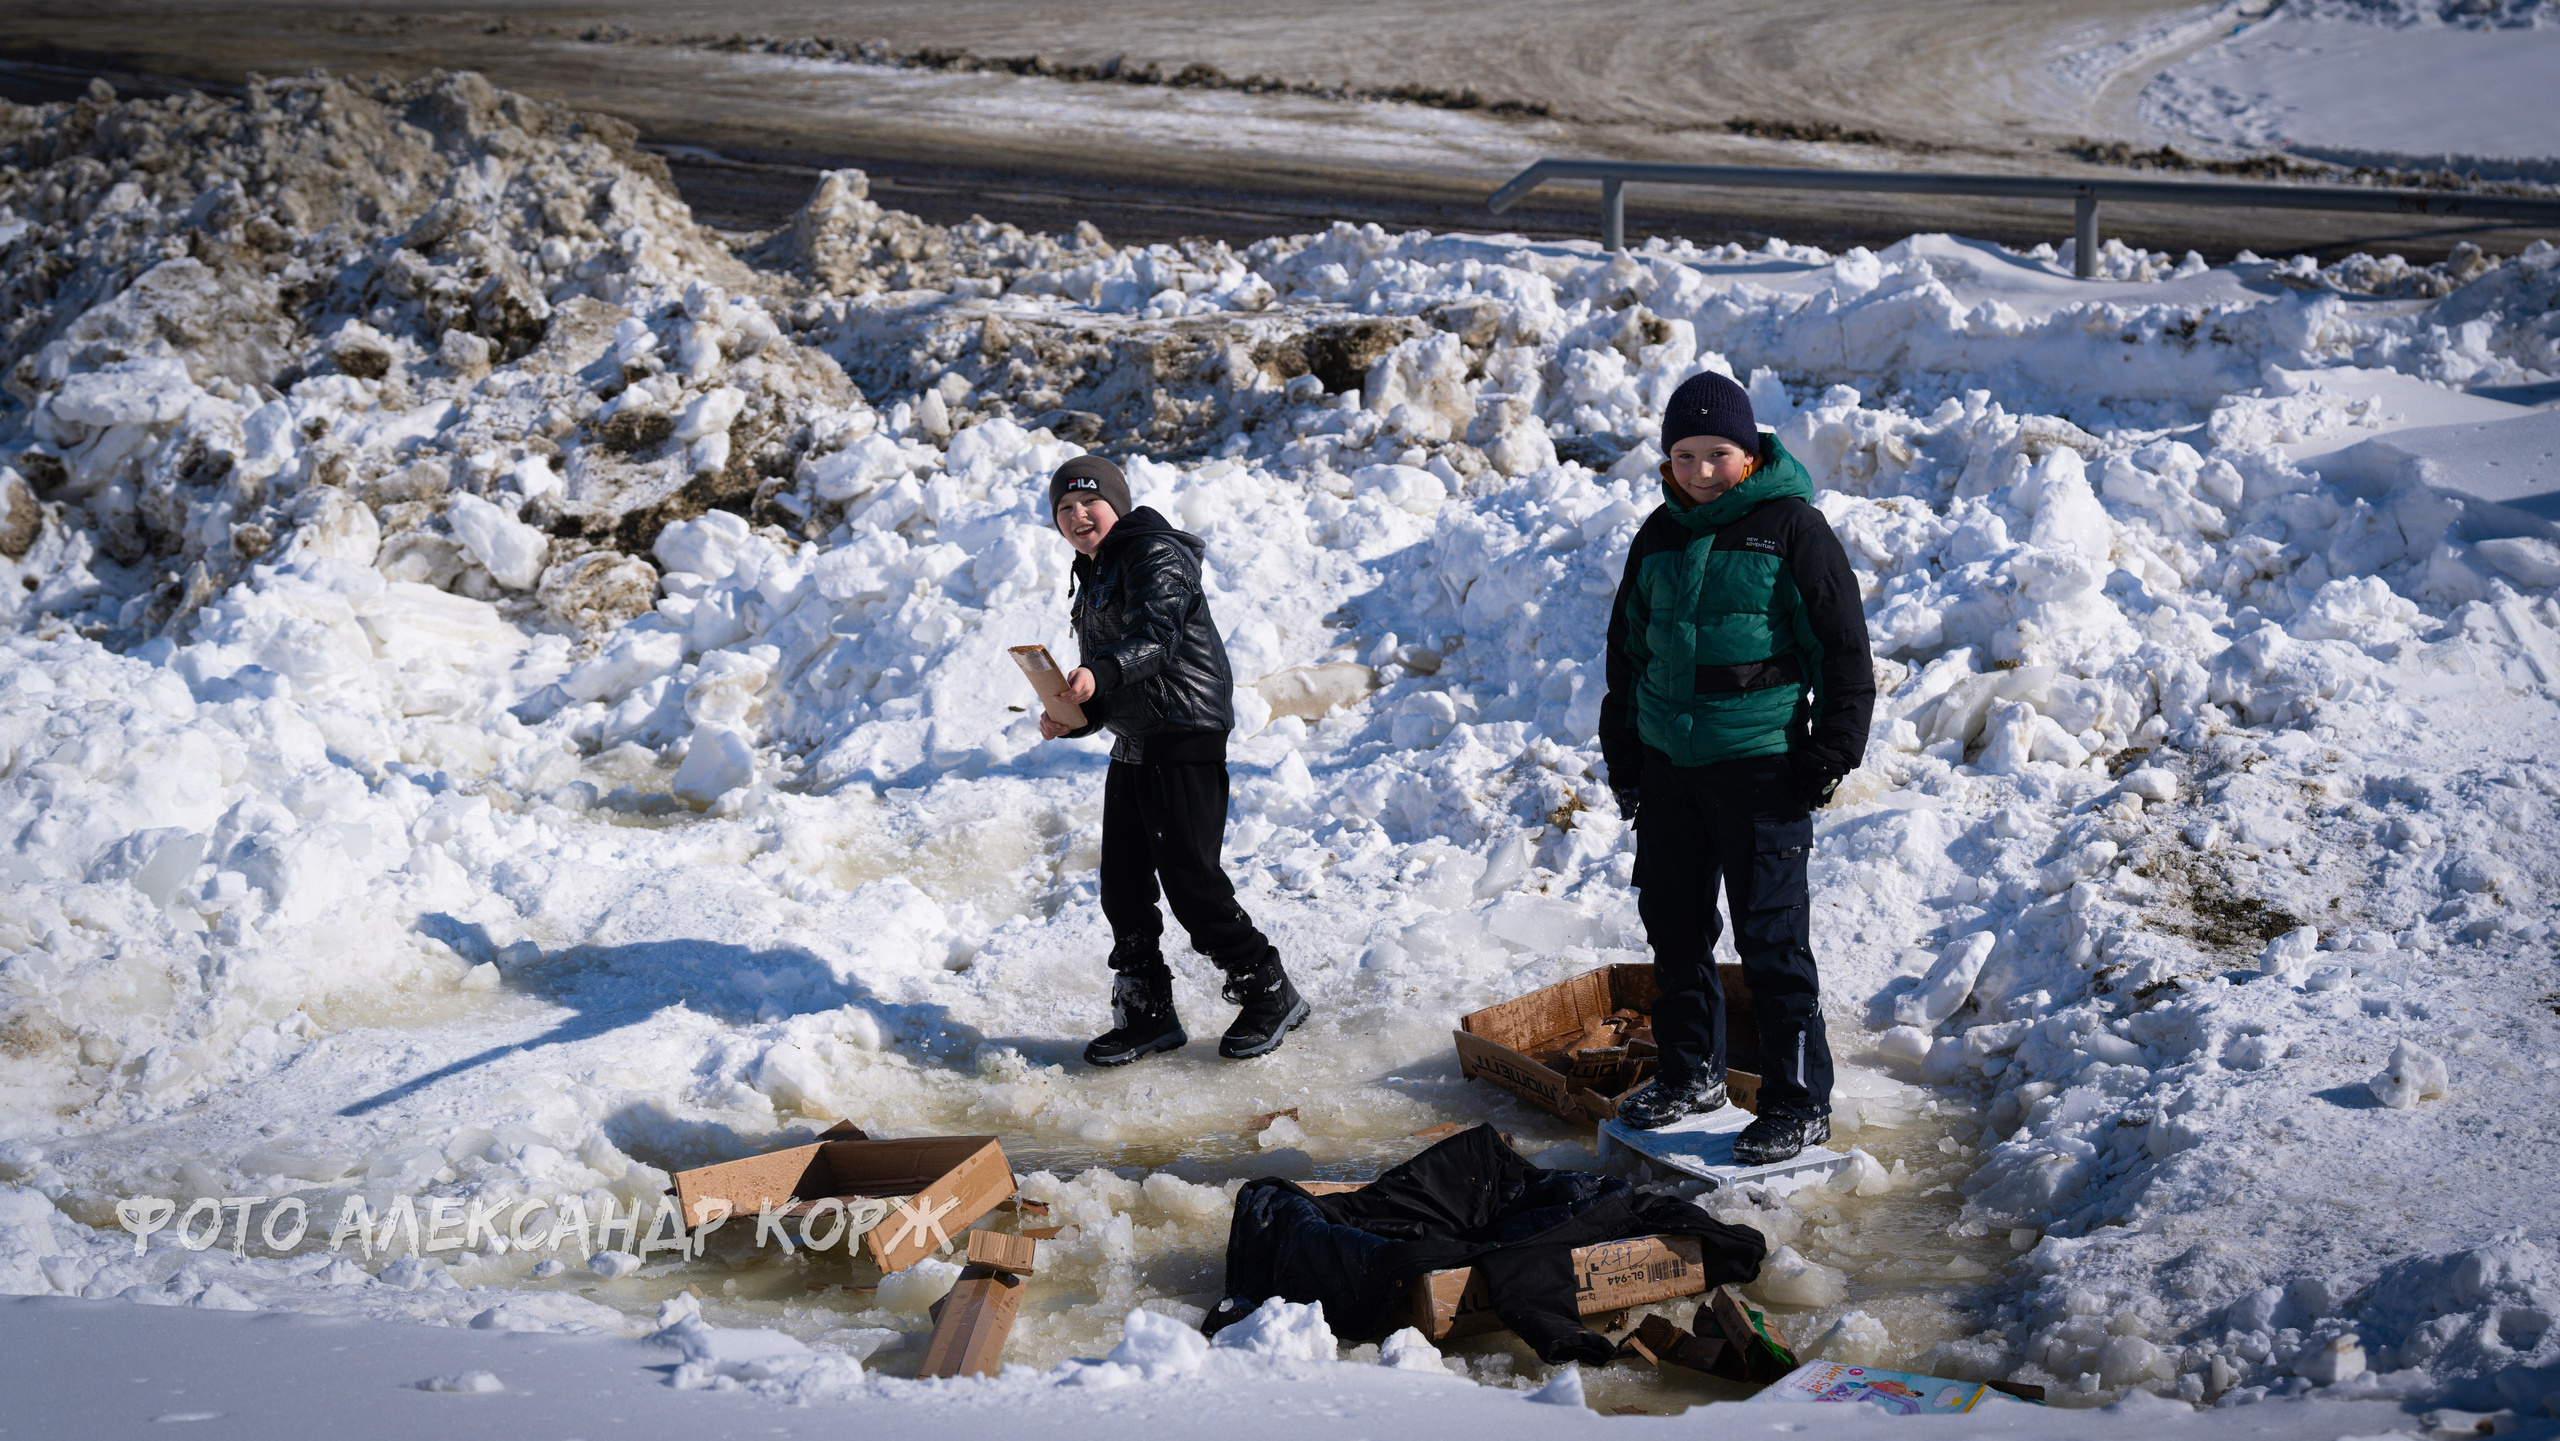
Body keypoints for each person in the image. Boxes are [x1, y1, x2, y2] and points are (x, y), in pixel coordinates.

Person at [1596, 372, 1875, 1163]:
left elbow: (1844, 652)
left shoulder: (1792, 528)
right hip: (1671, 773)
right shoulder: (1658, 534)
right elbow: (1628, 657)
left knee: (1772, 944)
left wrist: (1829, 753)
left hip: (1761, 770)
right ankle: (1693, 1073)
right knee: (1675, 929)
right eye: (1683, 455)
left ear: (1749, 452)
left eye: (1716, 453)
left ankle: (1797, 1101)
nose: (1699, 471)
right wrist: (1627, 759)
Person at [1037, 454, 1310, 1066]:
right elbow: (1115, 675)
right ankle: (1147, 1014)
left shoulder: (1153, 553)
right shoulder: (1095, 572)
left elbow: (1154, 643)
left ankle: (1270, 990)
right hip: (1138, 739)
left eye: (1090, 502)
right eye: (1065, 508)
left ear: (1118, 505)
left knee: (1191, 882)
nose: (1079, 515)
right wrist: (1075, 713)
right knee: (1123, 887)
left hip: (1184, 734)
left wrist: (1098, 673)